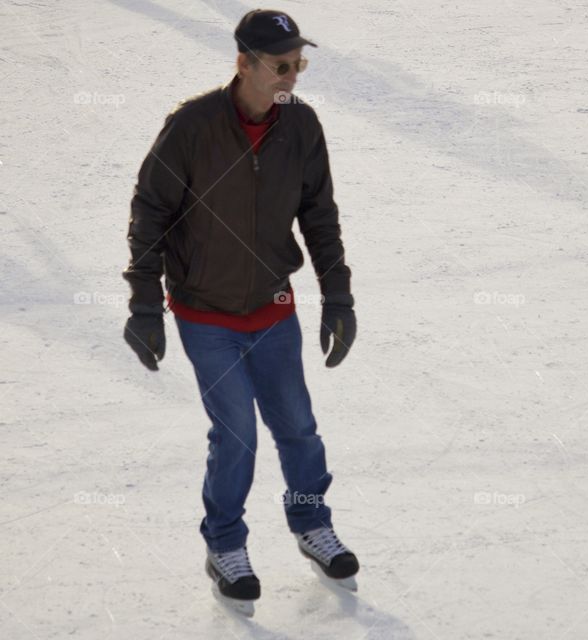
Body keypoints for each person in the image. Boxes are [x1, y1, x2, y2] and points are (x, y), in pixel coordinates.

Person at [122, 9, 359, 615]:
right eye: (281, 66)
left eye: (299, 65)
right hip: (205, 311)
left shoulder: (301, 126)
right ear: (244, 64)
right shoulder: (193, 126)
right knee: (237, 437)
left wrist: (337, 295)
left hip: (273, 305)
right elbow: (150, 211)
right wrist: (146, 304)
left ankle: (311, 524)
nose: (292, 77)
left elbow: (320, 215)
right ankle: (225, 544)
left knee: (299, 428)